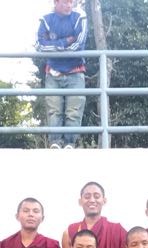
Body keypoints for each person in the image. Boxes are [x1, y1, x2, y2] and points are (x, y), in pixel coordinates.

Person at [37, 0, 89, 149]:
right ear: (56, 2)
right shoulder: (46, 18)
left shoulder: (80, 16)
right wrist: (65, 42)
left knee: (74, 112)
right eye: (65, 2)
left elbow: (79, 44)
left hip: (75, 71)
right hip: (53, 72)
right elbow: (40, 45)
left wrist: (54, 46)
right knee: (54, 111)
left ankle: (70, 144)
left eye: (71, 2)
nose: (69, 5)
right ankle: (55, 144)